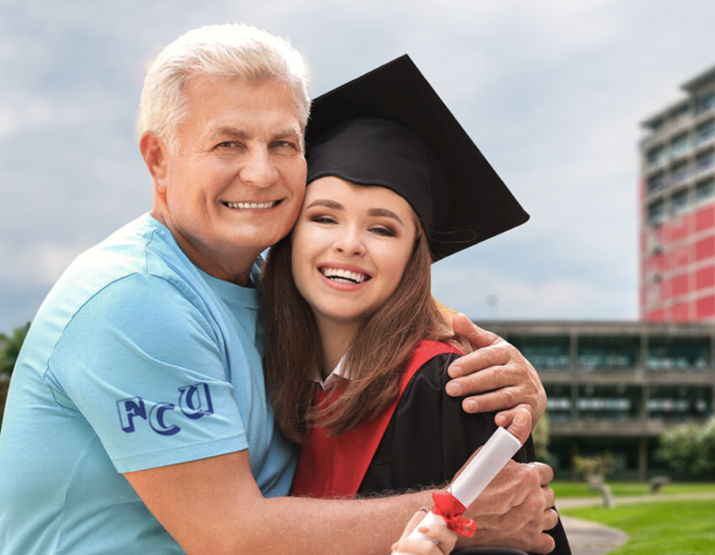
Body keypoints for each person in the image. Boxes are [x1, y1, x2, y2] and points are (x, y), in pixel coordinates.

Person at [0, 24, 556, 554]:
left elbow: (383, 299)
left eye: (284, 143)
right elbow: (232, 540)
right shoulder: (133, 299)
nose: (262, 174)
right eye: (228, 143)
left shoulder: (268, 291)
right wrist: (459, 512)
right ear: (157, 158)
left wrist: (517, 379)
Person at [259, 56, 570, 555]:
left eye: (383, 228)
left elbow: (516, 541)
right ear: (288, 235)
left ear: (412, 257)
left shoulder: (450, 386)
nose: (349, 243)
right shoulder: (275, 369)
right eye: (323, 217)